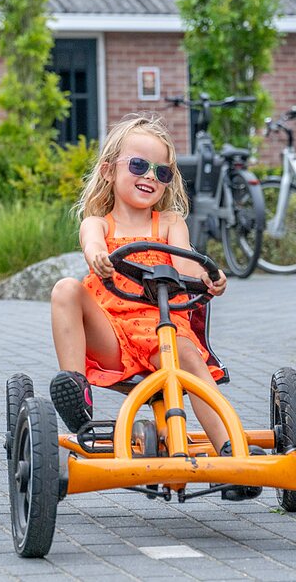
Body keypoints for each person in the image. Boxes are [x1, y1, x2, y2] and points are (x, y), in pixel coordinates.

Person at [49, 114, 234, 452]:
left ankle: (229, 449)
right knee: (65, 288)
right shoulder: (98, 224)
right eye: (138, 165)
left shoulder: (168, 222)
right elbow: (92, 244)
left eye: (161, 172)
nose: (150, 176)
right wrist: (98, 256)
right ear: (108, 170)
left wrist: (208, 276)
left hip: (163, 333)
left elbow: (184, 262)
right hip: (113, 335)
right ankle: (76, 393)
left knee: (189, 356)